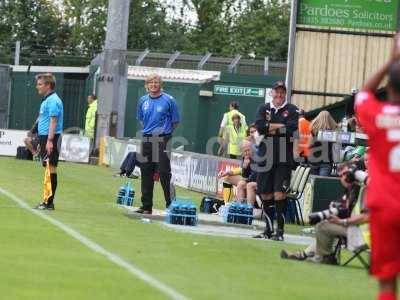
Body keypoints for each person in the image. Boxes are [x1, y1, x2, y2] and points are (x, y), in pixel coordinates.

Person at [354, 33, 400, 300]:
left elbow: (362, 94)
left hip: (384, 206)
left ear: (390, 88)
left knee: (387, 283)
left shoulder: (378, 115)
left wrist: (390, 61)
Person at [280, 163, 368, 264]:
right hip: (356, 229)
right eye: (341, 176)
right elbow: (346, 211)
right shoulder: (352, 191)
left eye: (346, 174)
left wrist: (342, 221)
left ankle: (322, 257)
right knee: (327, 224)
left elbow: (366, 217)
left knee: (323, 226)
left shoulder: (364, 190)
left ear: (353, 174)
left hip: (363, 235)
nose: (343, 178)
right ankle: (306, 254)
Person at [253, 80, 299, 241]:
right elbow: (259, 127)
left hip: (283, 159)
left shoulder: (292, 109)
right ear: (271, 92)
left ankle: (280, 232)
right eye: (276, 91)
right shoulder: (263, 108)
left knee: (279, 194)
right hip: (265, 157)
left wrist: (270, 127)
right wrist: (278, 127)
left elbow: (291, 129)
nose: (279, 94)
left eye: (282, 92)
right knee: (265, 194)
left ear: (285, 93)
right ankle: (268, 230)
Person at [135, 74, 180, 214]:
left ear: (161, 85)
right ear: (146, 85)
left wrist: (164, 133)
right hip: (147, 138)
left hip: (163, 139)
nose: (153, 85)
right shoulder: (143, 100)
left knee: (164, 172)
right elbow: (141, 119)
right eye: (151, 82)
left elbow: (175, 121)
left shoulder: (169, 100)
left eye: (156, 82)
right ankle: (146, 206)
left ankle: (171, 204)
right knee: (146, 171)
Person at [34, 73, 64, 210]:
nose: (37, 87)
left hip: (52, 137)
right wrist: (42, 140)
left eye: (40, 84)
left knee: (51, 168)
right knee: (48, 168)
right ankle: (46, 200)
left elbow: (53, 121)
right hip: (46, 137)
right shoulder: (47, 100)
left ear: (48, 85)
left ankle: (48, 202)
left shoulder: (53, 100)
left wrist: (50, 140)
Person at [218, 140, 257, 205]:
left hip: (255, 180)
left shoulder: (256, 156)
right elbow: (242, 171)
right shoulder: (245, 157)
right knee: (226, 178)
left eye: (248, 150)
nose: (247, 153)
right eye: (245, 151)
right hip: (248, 178)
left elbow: (255, 175)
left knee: (241, 184)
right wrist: (227, 172)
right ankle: (227, 204)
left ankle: (241, 207)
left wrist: (246, 179)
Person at [308, 110, 338, 176]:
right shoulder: (333, 132)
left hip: (313, 160)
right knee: (322, 183)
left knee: (313, 183)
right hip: (326, 162)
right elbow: (335, 147)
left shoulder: (313, 130)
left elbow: (309, 144)